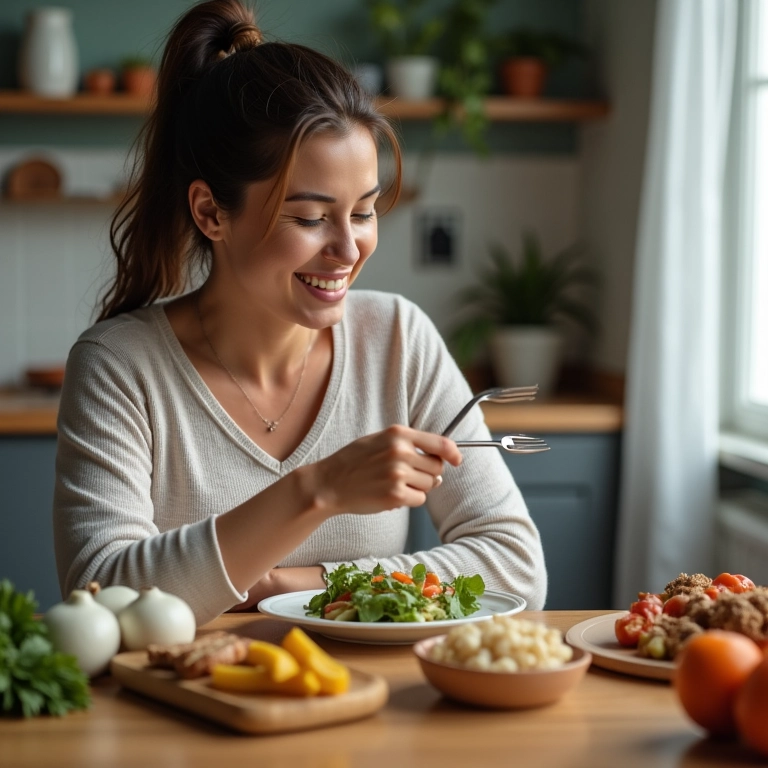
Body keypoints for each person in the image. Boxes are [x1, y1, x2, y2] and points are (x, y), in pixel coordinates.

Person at [53, 0, 547, 625]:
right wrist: (319, 489)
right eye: (310, 218)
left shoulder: (398, 339)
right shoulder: (119, 367)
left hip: (370, 688)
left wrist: (294, 586)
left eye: (363, 212)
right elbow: (102, 597)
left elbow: (516, 568)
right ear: (210, 213)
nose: (349, 249)